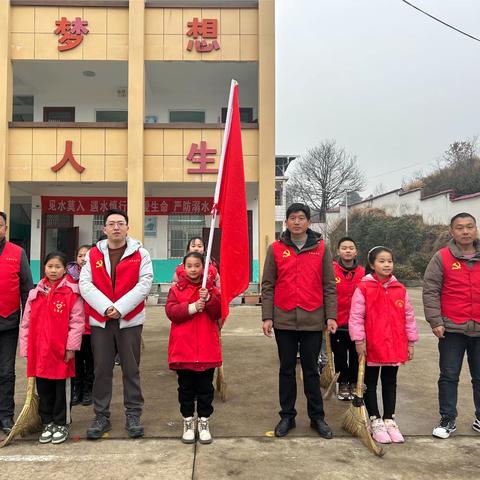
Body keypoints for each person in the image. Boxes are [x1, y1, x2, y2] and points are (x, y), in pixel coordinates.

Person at [261, 203, 337, 439]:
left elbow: (329, 285)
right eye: (292, 218)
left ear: (308, 222)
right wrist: (267, 316)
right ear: (286, 222)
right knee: (286, 370)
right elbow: (268, 285)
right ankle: (287, 416)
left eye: (301, 218)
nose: (296, 222)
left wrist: (331, 315)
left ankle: (317, 418)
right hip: (283, 319)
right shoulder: (275, 249)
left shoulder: (321, 249)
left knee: (312, 370)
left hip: (313, 319)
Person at [79, 209, 153, 440]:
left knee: (131, 369)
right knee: (101, 369)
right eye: (111, 224)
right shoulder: (93, 255)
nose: (116, 228)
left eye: (121, 223)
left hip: (129, 320)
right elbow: (85, 283)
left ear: (127, 228)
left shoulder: (141, 254)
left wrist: (119, 308)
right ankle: (101, 415)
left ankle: (133, 414)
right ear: (104, 229)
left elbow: (145, 284)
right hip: (101, 321)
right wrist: (105, 308)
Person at [349, 246, 418, 444]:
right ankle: (375, 419)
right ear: (372, 264)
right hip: (372, 345)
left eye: (389, 261)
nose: (387, 264)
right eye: (381, 261)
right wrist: (359, 341)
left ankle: (389, 419)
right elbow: (356, 317)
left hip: (394, 345)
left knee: (390, 381)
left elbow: (409, 317)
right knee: (370, 382)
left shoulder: (400, 289)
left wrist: (410, 342)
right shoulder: (363, 288)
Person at [423, 212, 480, 439]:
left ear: (475, 229)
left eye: (469, 227)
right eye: (460, 228)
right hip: (451, 329)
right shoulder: (442, 257)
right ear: (451, 231)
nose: (465, 231)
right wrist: (435, 321)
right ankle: (448, 419)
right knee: (449, 375)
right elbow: (431, 290)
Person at [19, 251, 84, 444]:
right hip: (39, 352)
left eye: (58, 267)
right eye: (50, 266)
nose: (53, 270)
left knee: (60, 389)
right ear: (44, 268)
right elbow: (26, 324)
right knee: (44, 389)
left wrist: (71, 347)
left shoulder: (71, 293)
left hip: (60, 353)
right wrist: (26, 349)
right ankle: (47, 422)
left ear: (65, 269)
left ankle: (61, 423)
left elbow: (77, 322)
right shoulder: (35, 293)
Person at [165, 252, 222, 444]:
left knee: (206, 388)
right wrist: (191, 307)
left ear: (203, 268)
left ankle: (204, 421)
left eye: (197, 265)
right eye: (189, 266)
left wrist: (209, 300)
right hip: (184, 348)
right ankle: (188, 421)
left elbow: (217, 313)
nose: (193, 269)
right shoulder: (176, 289)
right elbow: (171, 312)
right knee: (186, 388)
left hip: (206, 348)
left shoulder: (211, 289)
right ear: (183, 267)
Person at [0, 211, 34, 435]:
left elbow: (27, 290)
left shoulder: (17, 253)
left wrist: (28, 324)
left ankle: (5, 415)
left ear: (5, 228)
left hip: (8, 324)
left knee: (5, 373)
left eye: (0, 225)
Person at [332, 236, 365, 400]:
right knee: (339, 355)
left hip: (357, 324)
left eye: (351, 248)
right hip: (337, 323)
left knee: (355, 355)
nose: (347, 250)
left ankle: (353, 383)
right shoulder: (331, 270)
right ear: (338, 251)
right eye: (344, 248)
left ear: (356, 251)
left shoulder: (363, 273)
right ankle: (343, 383)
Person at [67, 244, 94, 406]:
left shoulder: (98, 274)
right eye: (81, 255)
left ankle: (89, 390)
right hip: (74, 329)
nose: (84, 258)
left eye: (87, 255)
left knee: (90, 361)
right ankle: (78, 390)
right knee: (76, 362)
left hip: (92, 328)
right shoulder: (68, 277)